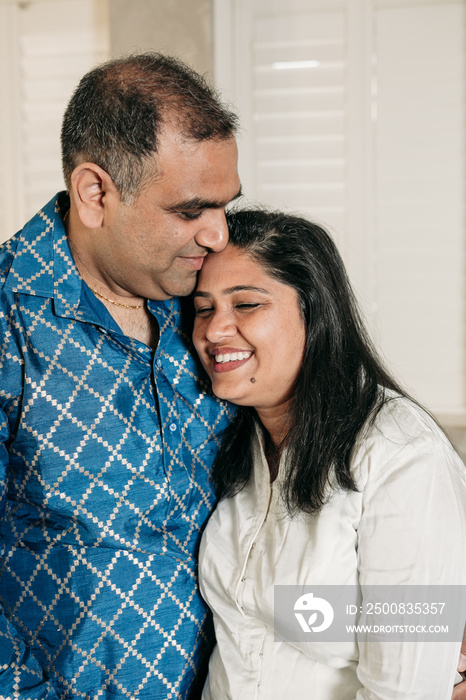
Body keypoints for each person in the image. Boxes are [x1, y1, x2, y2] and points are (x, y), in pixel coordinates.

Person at [0, 53, 241, 699]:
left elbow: (328, 493)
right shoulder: (8, 324)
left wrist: (425, 632)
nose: (219, 235)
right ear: (95, 193)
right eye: (190, 210)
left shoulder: (227, 305)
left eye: (225, 206)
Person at [192, 208, 466, 699]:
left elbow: (406, 690)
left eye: (248, 304)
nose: (214, 330)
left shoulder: (399, 452)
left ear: (315, 313)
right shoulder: (236, 439)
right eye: (203, 307)